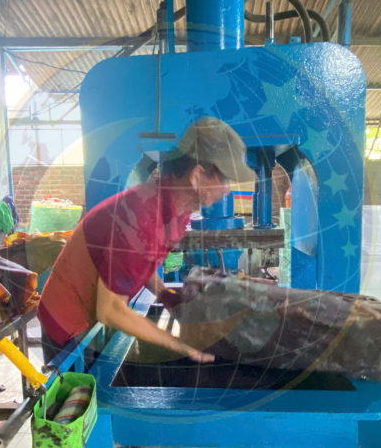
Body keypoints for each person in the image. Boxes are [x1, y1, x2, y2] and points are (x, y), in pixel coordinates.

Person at [37, 117, 256, 365]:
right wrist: (178, 344)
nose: (227, 189)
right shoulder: (140, 219)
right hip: (66, 322)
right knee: (78, 385)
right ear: (196, 176)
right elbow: (109, 310)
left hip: (91, 313)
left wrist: (165, 296)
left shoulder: (175, 211)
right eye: (224, 178)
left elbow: (139, 259)